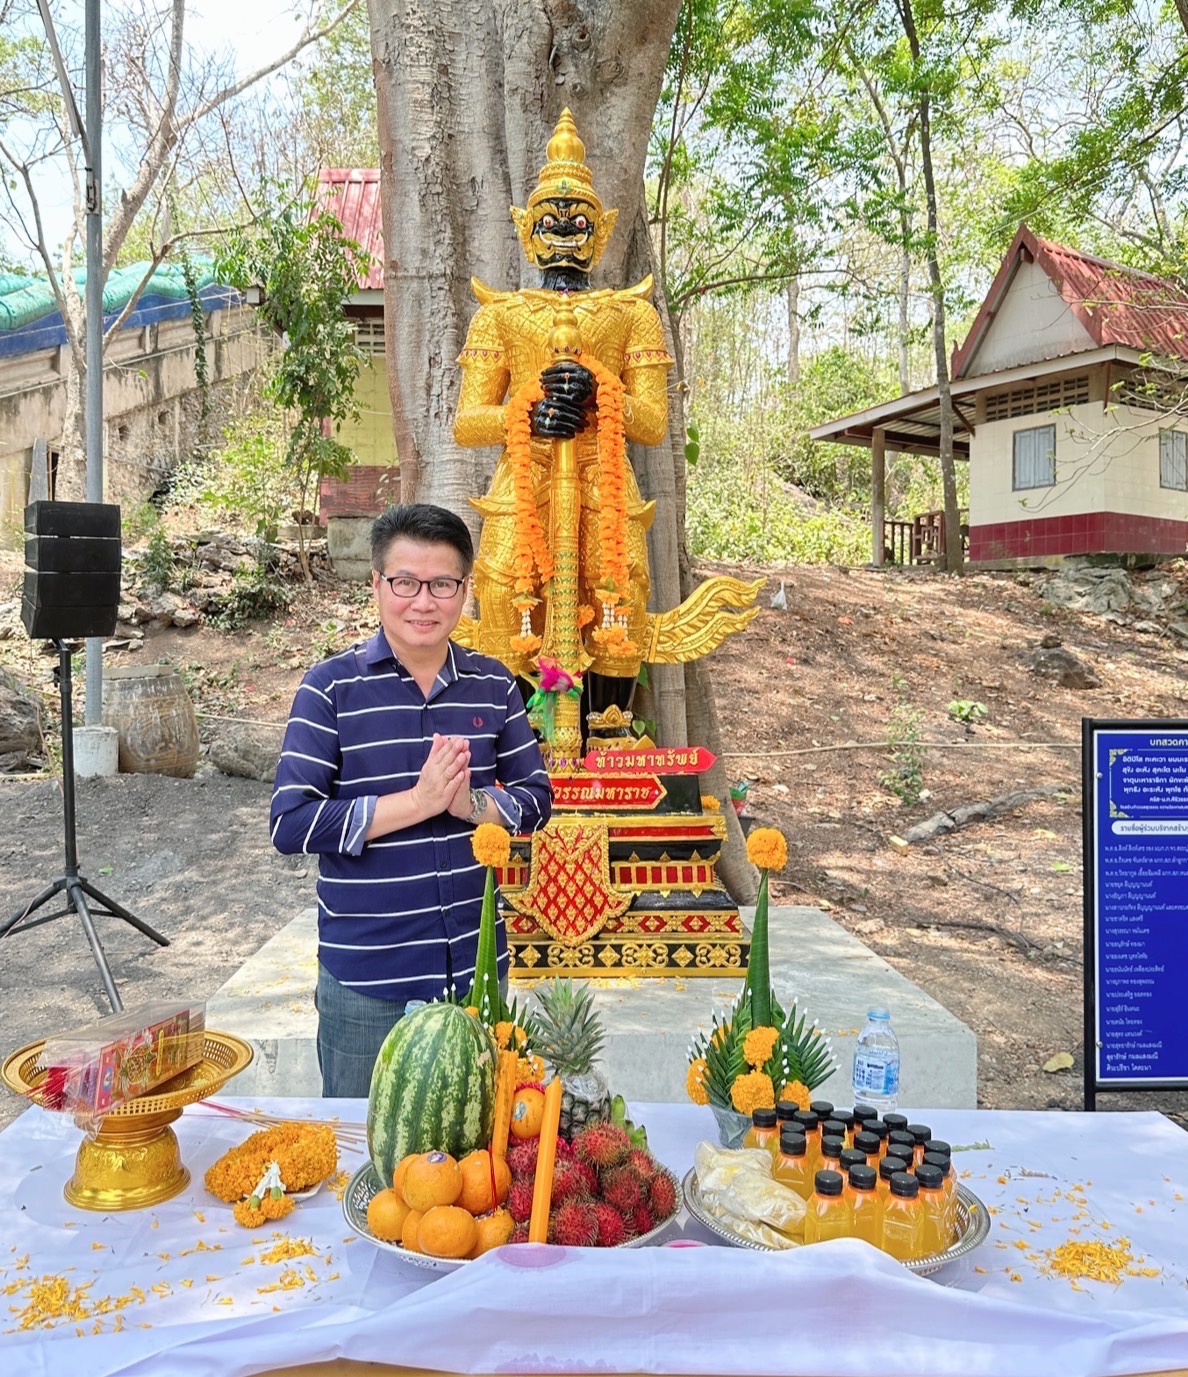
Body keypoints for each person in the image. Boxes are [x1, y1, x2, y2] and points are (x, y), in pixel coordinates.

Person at [270, 503, 552, 1097]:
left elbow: (536, 798)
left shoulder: (493, 685)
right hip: (368, 985)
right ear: (377, 584)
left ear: (465, 591)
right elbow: (291, 823)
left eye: (442, 584)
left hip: (476, 976)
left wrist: (470, 806)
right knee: (363, 1141)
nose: (424, 601)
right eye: (405, 582)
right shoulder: (330, 689)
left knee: (475, 1143)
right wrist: (419, 802)